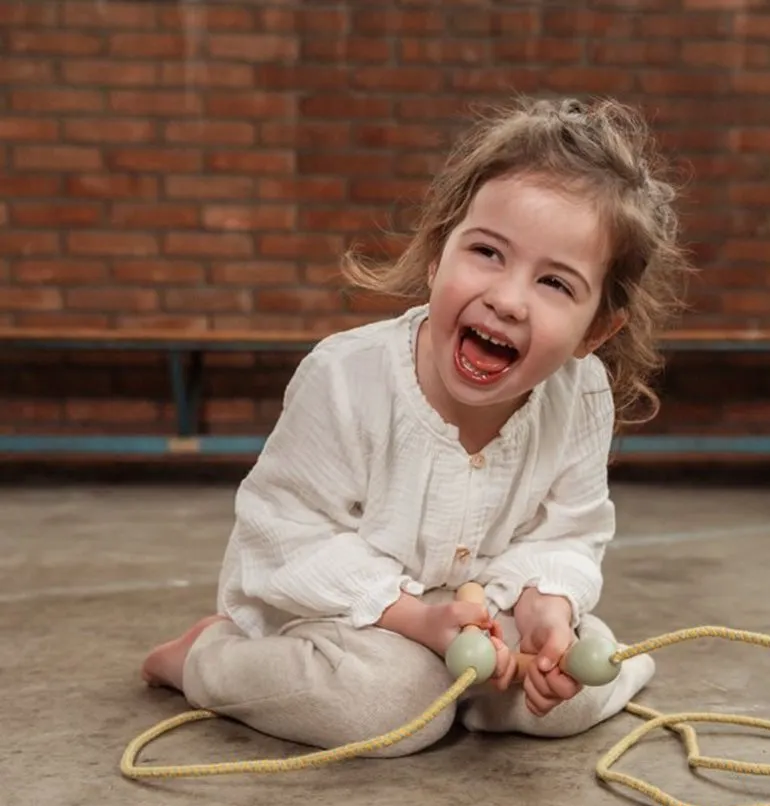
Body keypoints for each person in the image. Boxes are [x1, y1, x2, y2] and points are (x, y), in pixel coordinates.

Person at [141, 96, 688, 756]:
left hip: (482, 613)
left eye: (556, 283)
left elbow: (569, 529)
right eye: (487, 252)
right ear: (436, 257)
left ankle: (482, 692)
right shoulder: (347, 377)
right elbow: (285, 534)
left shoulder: (582, 392)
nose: (508, 299)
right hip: (343, 613)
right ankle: (205, 657)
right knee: (393, 704)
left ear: (596, 330)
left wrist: (549, 607)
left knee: (573, 690)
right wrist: (417, 619)